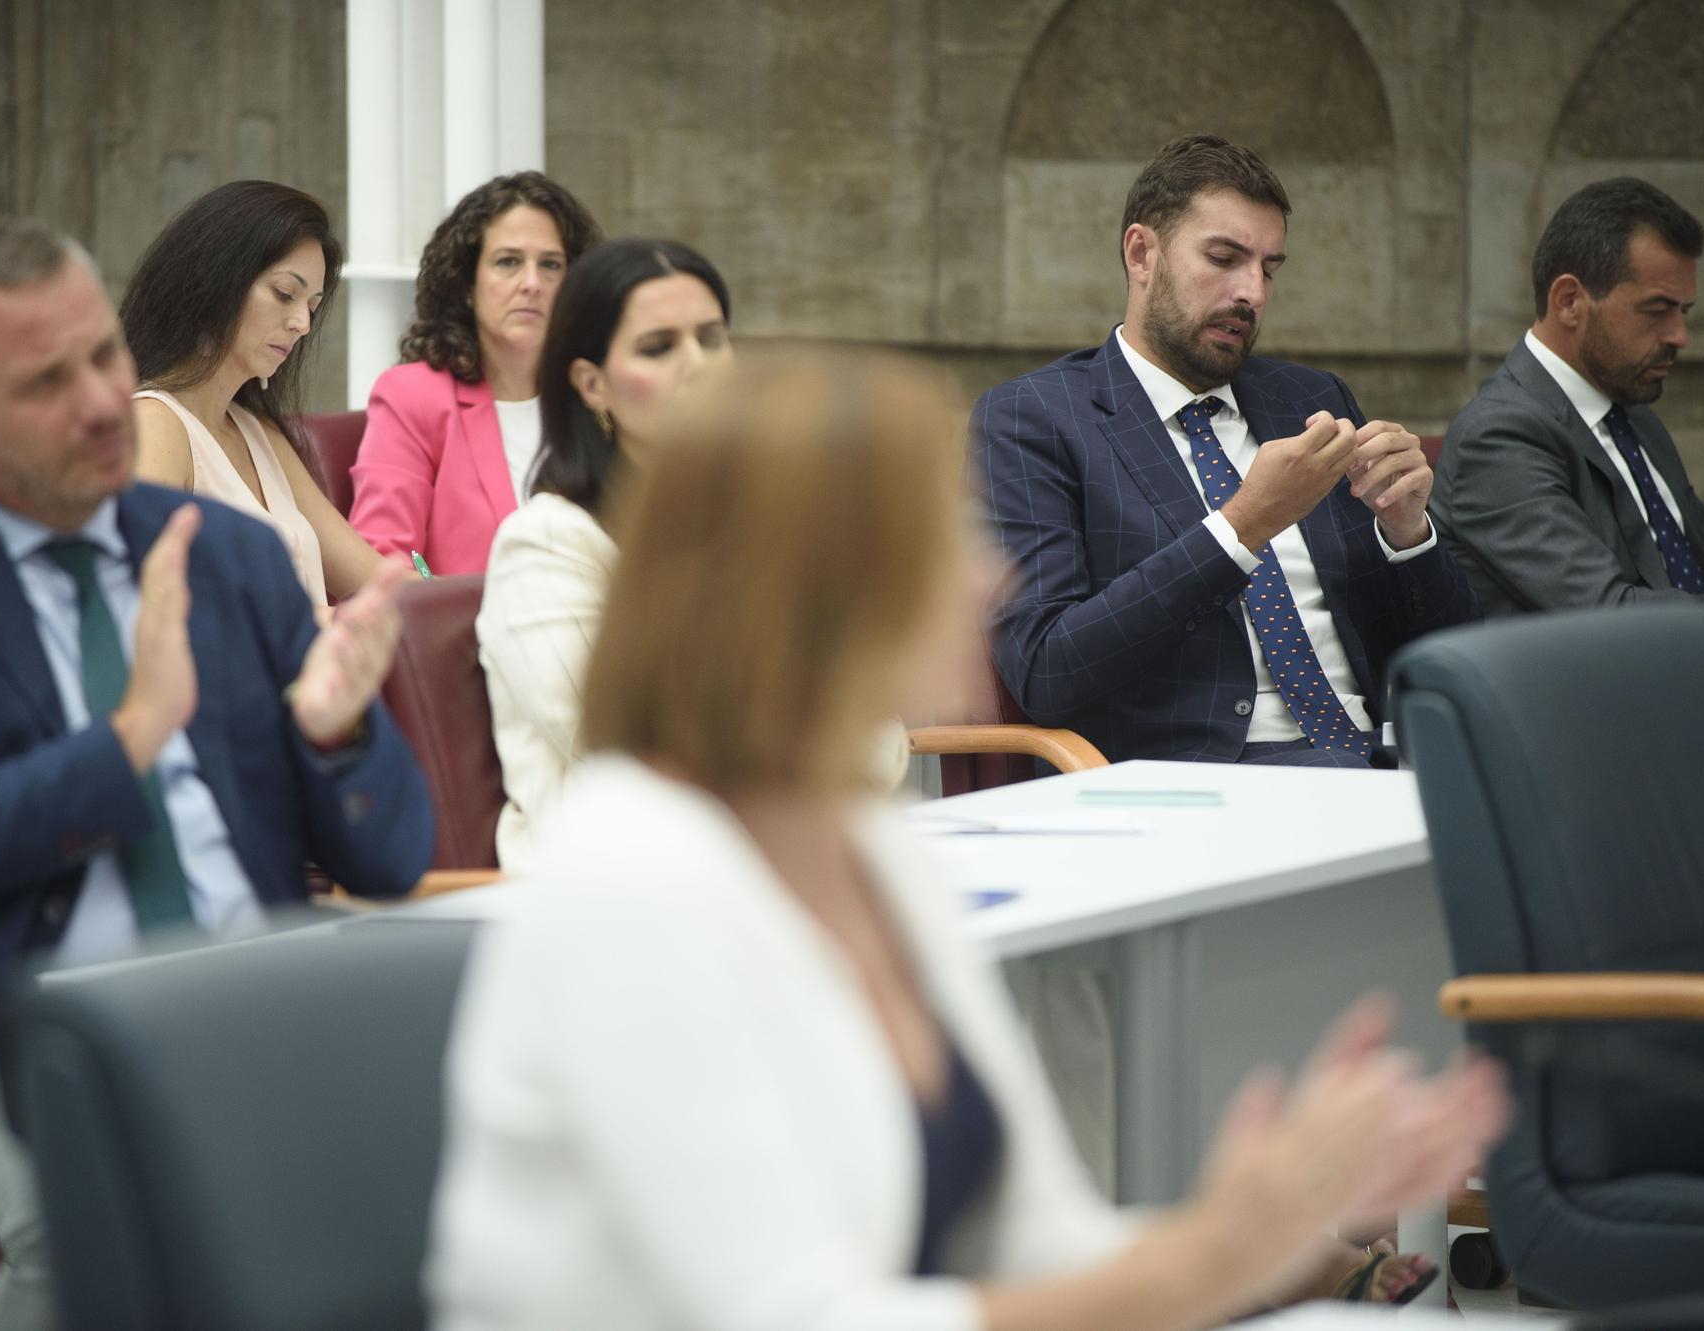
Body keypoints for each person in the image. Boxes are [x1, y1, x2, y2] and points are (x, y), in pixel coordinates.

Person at [428, 350, 1508, 1328]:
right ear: (801, 594)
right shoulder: (632, 878)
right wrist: (1217, 1248)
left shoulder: (874, 846)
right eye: (940, 538)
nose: (987, 576)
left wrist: (1273, 1236)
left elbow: (1034, 1240)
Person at [0, 218, 435, 1331]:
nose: (95, 402)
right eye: (45, 381)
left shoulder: (219, 557)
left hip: (246, 984)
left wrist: (338, 732)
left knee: (456, 1161)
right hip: (0, 1006)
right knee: (89, 1223)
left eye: (102, 358)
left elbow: (392, 852)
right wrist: (120, 747)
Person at [973, 135, 1479, 768]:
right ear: (1141, 254)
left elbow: (1446, 653)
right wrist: (1244, 526)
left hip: (1385, 759)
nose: (1253, 293)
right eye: (1224, 258)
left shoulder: (1311, 400)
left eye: (1269, 268)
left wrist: (1408, 536)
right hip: (1205, 778)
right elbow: (1047, 669)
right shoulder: (1036, 418)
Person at [477, 237, 731, 869]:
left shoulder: (752, 529)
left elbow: (875, 739)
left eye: (712, 338)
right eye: (659, 347)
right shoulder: (545, 545)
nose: (698, 366)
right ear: (592, 385)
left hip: (759, 874)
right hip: (610, 895)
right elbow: (632, 747)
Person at [1432, 178, 1704, 642]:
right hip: (1589, 703)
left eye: (1685, 312)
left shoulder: (1632, 414)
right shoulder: (1498, 436)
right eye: (1657, 310)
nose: (1680, 335)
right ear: (1570, 301)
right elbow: (1610, 614)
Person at [122, 179, 387, 610]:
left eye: (313, 306)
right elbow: (142, 605)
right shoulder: (154, 423)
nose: (302, 322)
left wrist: (453, 597)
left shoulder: (255, 430)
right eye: (285, 294)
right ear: (215, 283)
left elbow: (373, 577)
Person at [348, 171, 602, 575]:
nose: (532, 283)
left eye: (551, 264)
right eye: (509, 262)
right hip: (467, 634)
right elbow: (383, 558)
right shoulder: (413, 395)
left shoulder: (599, 393)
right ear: (466, 283)